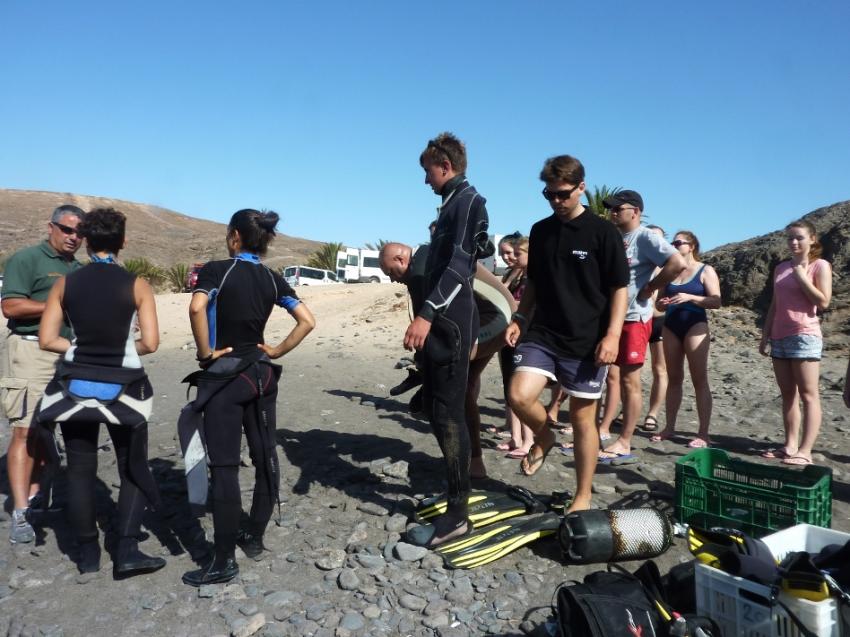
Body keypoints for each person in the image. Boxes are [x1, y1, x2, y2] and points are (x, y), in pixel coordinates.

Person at [181, 209, 315, 586]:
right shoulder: (273, 279)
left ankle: (222, 560)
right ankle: (254, 536)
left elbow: (196, 307)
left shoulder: (217, 269)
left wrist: (206, 353)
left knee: (224, 467)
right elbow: (307, 321)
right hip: (262, 376)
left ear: (235, 236)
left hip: (226, 378)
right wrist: (275, 351)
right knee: (265, 455)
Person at [36, 207, 165, 577]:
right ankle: (126, 551)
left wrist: (79, 350)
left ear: (87, 240)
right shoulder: (137, 284)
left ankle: (87, 555)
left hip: (75, 386)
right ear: (123, 241)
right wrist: (122, 351)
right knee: (131, 467)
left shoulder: (66, 283)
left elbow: (47, 339)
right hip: (124, 390)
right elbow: (151, 343)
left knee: (79, 469)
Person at [505, 154, 628, 513]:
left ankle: (583, 495)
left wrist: (613, 335)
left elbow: (620, 287)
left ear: (581, 188)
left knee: (582, 419)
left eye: (563, 195)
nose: (557, 202)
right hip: (543, 332)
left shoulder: (602, 232)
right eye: (550, 195)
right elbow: (535, 285)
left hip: (588, 339)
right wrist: (520, 318)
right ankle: (544, 434)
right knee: (518, 394)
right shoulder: (540, 231)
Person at [403, 132, 489, 548]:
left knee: (450, 415)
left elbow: (460, 265)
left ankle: (459, 515)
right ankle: (456, 493)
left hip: (450, 325)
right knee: (438, 412)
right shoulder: (453, 204)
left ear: (445, 167)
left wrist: (425, 314)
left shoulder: (470, 201)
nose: (426, 181)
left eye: (427, 172)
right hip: (444, 326)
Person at [379, 241, 514, 478]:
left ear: (401, 259)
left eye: (390, 272)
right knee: (465, 386)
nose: (392, 280)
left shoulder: (420, 271)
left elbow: (426, 330)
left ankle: (472, 463)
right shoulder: (429, 254)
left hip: (494, 320)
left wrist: (424, 367)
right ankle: (473, 461)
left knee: (455, 387)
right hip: (497, 315)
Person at [1, 204, 85, 544]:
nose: (73, 237)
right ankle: (21, 511)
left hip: (68, 354)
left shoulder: (78, 268)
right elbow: (11, 306)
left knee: (49, 431)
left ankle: (36, 496)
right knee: (25, 430)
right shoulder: (26, 259)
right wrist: (59, 302)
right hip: (31, 351)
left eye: (79, 233)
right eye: (67, 230)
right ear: (50, 227)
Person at [600, 191, 685, 461]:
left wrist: (651, 288)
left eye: (617, 209)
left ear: (635, 211)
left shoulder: (646, 236)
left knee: (629, 380)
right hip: (610, 318)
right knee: (608, 377)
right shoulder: (613, 236)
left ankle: (625, 441)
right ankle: (602, 430)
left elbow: (677, 263)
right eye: (610, 209)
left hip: (634, 318)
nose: (612, 213)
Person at [759, 219, 832, 466]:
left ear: (812, 239)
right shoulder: (780, 268)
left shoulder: (820, 266)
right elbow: (775, 305)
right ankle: (790, 445)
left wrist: (802, 276)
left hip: (804, 335)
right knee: (788, 394)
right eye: (790, 238)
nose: (793, 242)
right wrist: (765, 335)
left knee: (809, 395)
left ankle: (806, 450)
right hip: (779, 336)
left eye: (799, 237)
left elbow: (823, 303)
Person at [650, 231, 721, 447]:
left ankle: (703, 433)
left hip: (695, 324)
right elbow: (659, 302)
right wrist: (661, 304)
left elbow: (716, 301)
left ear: (691, 246)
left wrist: (691, 297)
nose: (674, 245)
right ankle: (669, 427)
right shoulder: (669, 270)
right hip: (671, 325)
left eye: (679, 243)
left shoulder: (705, 270)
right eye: (673, 242)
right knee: (674, 378)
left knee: (699, 379)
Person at [642, 225, 669, 432]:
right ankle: (627, 409)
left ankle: (653, 413)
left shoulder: (668, 267)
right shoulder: (638, 264)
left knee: (659, 369)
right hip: (638, 320)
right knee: (630, 370)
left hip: (659, 321)